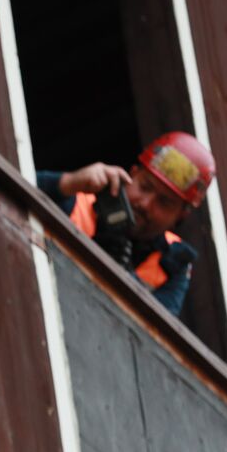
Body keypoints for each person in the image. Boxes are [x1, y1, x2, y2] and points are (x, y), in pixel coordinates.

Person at [37, 132, 214, 316]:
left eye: (164, 202)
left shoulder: (174, 261)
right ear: (133, 174)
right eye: (145, 186)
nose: (145, 204)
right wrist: (69, 182)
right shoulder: (78, 202)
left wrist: (125, 278)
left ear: (181, 216)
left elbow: (157, 331)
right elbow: (14, 188)